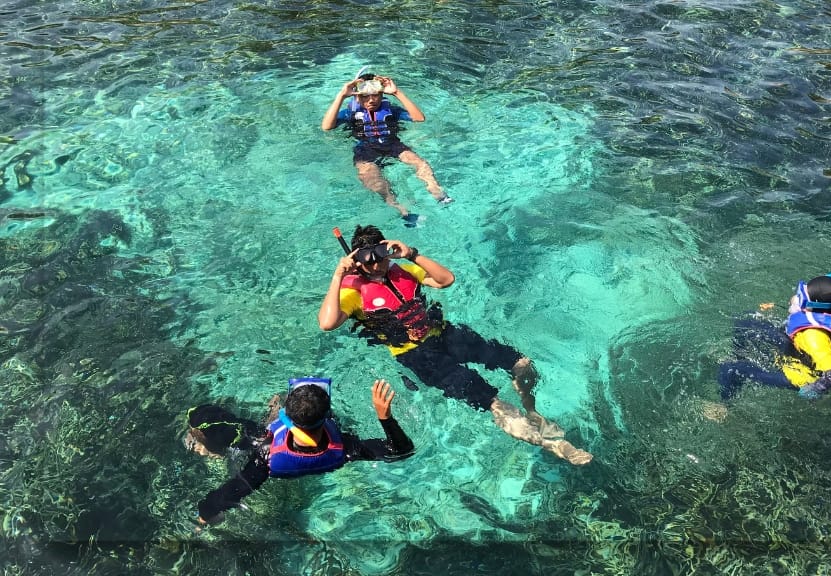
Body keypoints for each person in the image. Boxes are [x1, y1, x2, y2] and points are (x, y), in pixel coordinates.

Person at [318, 224, 593, 465]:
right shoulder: (353, 292)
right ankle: (554, 444)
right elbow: (327, 323)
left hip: (446, 334)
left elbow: (446, 280)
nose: (377, 264)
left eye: (381, 255)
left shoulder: (403, 269)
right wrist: (338, 275)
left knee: (522, 363)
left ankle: (531, 410)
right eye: (369, 260)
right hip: (416, 356)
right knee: (494, 403)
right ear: (357, 261)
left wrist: (411, 254)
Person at [186, 378, 414, 526]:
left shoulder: (265, 457)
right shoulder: (346, 447)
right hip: (322, 449)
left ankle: (268, 411)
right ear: (328, 418)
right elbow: (401, 451)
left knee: (204, 418)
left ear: (286, 418)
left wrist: (204, 516)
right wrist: (385, 417)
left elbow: (226, 495)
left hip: (271, 449)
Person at [716, 269, 831, 403]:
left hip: (800, 375)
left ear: (814, 307)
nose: (794, 299)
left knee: (728, 369)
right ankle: (740, 356)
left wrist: (816, 389)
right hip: (797, 347)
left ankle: (723, 406)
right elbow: (821, 287)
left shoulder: (813, 338)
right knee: (745, 321)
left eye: (800, 298)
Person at [321, 73, 451, 227]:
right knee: (373, 181)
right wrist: (341, 96)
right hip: (365, 150)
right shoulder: (350, 114)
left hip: (393, 145)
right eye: (365, 96)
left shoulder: (392, 110)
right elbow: (326, 127)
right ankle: (403, 211)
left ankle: (438, 194)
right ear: (357, 97)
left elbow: (419, 118)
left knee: (420, 163)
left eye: (375, 95)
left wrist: (397, 92)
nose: (371, 100)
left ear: (381, 94)